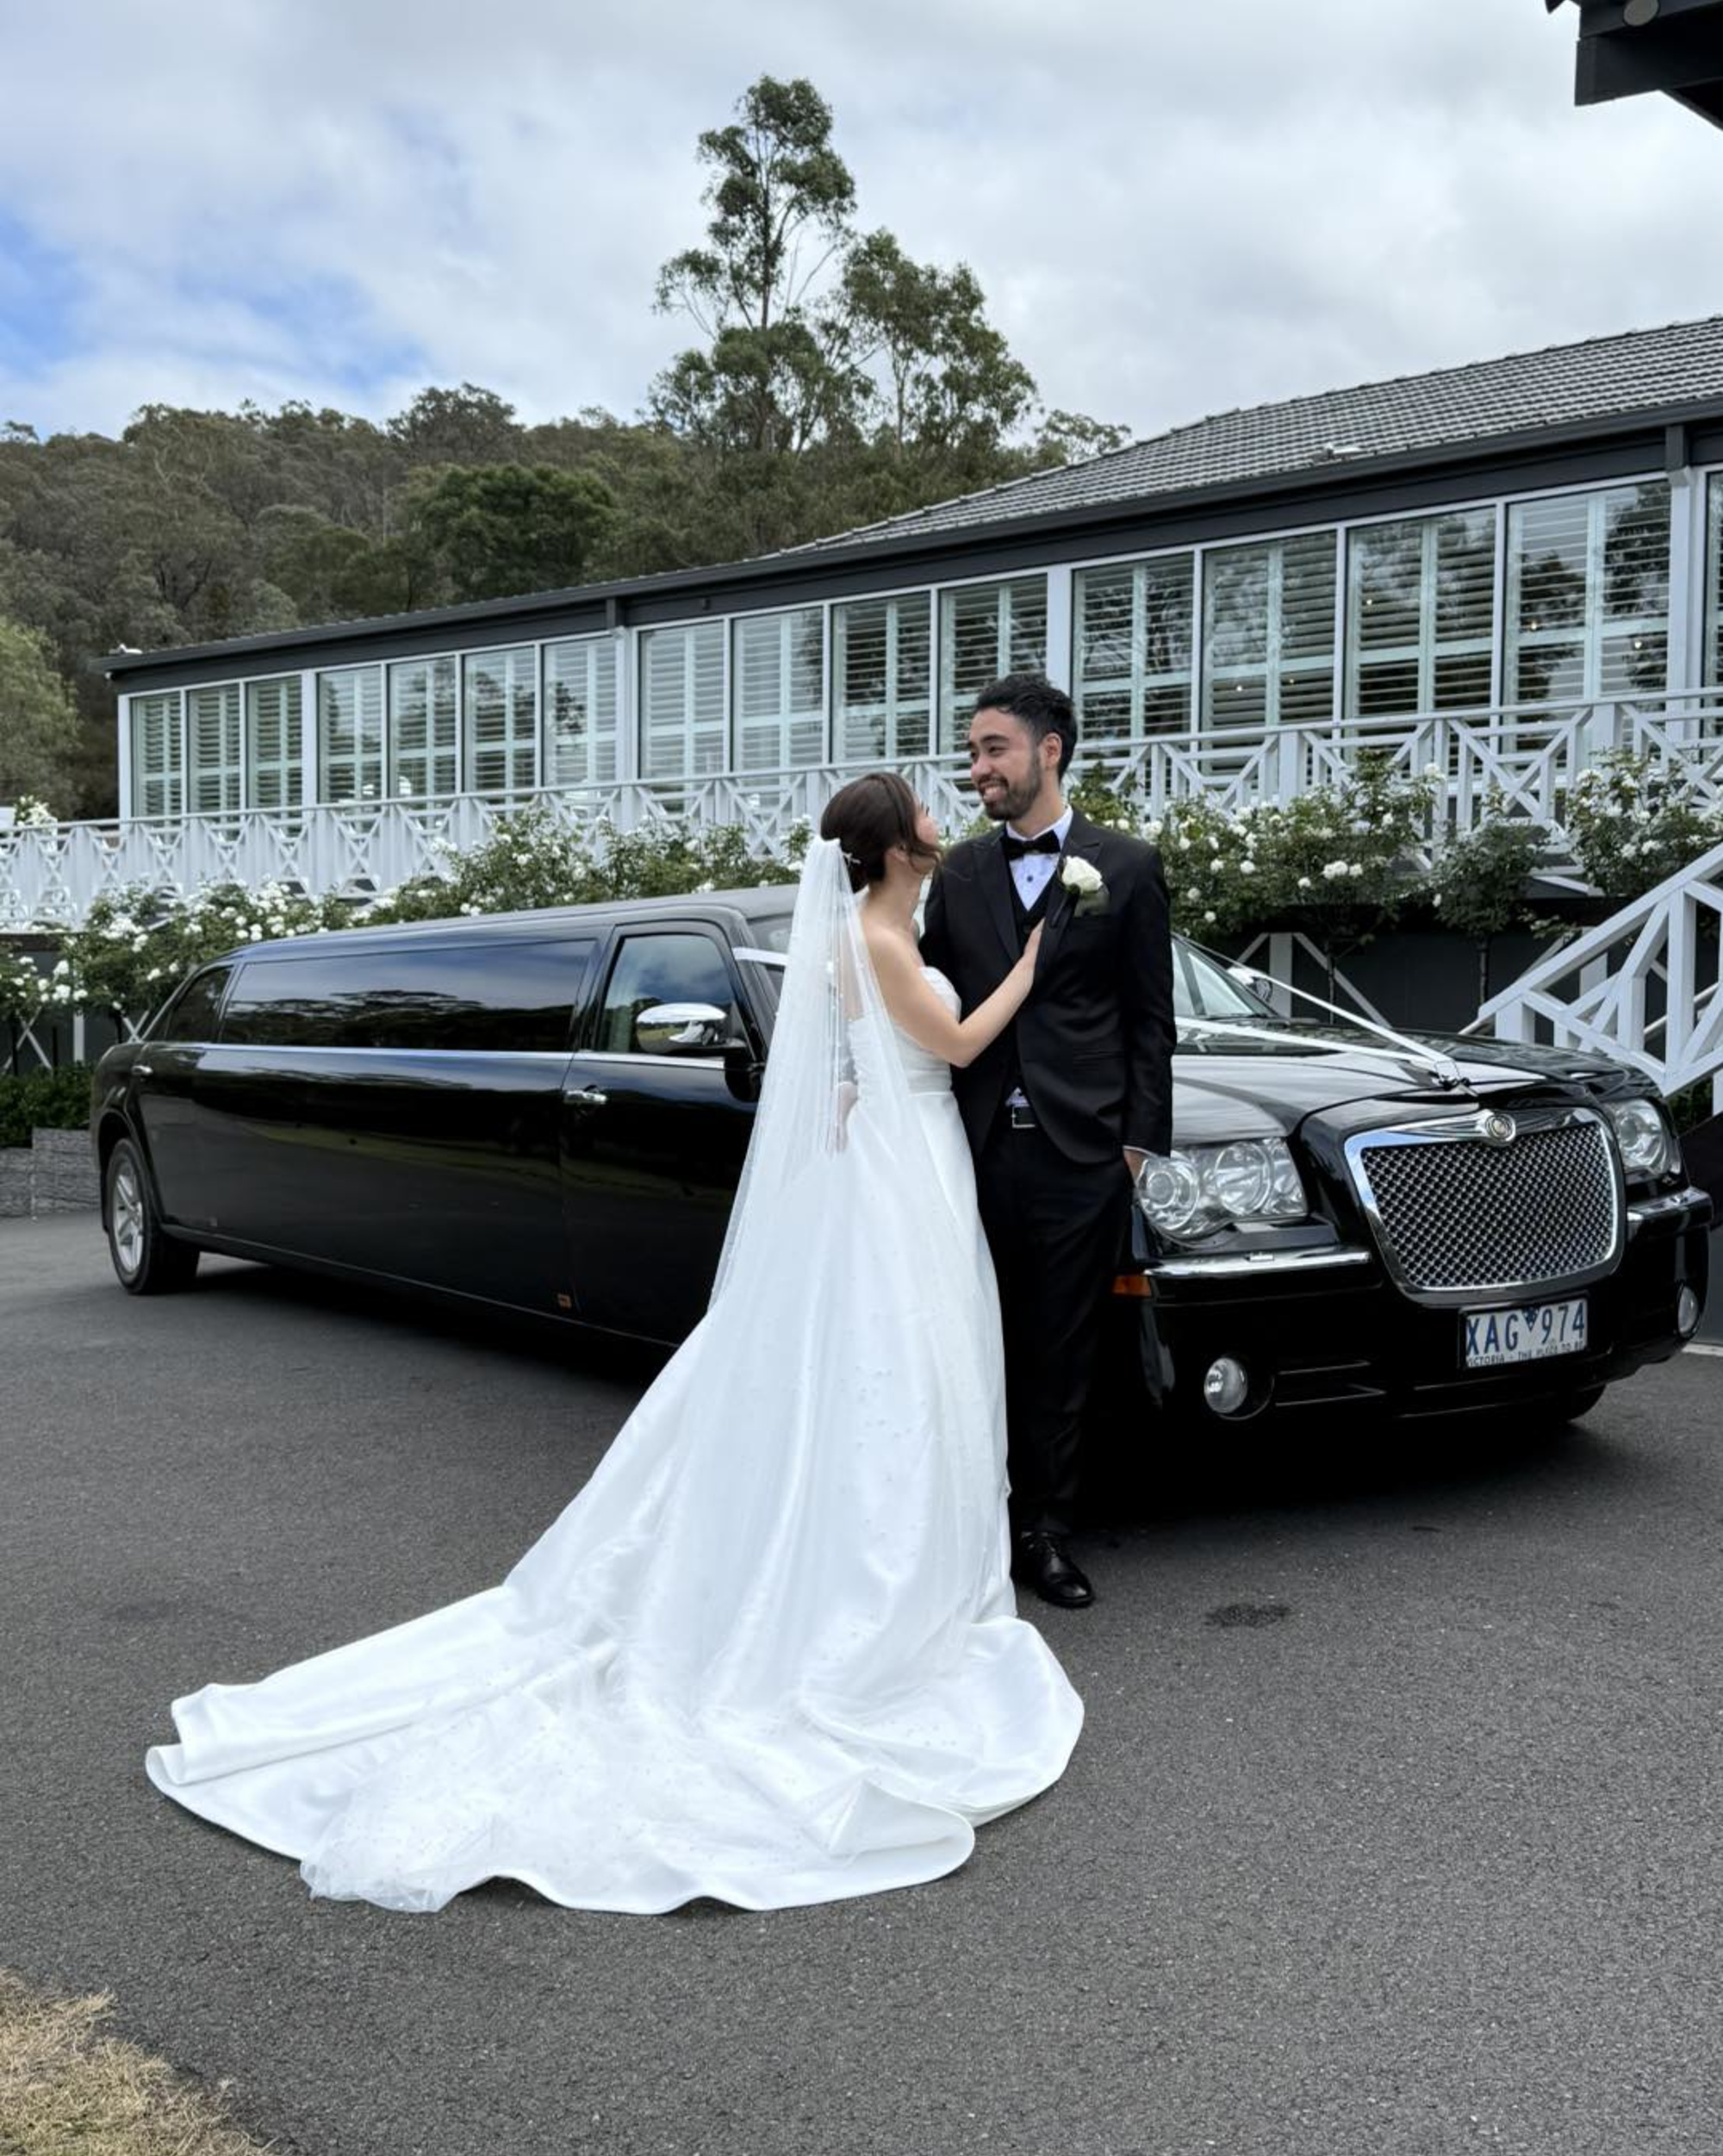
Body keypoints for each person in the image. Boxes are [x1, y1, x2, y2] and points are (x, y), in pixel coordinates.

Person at [144, 775, 1082, 1916]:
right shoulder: (878, 940)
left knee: (877, 1378)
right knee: (893, 1375)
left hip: (885, 1173)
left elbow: (848, 1070)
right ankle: (878, 1591)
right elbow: (959, 1038)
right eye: (925, 815)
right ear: (893, 848)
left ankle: (880, 1556)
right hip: (902, 1177)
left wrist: (864, 1101)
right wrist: (1032, 967)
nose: (943, 819)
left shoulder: (864, 933)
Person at [922, 675, 1175, 1610]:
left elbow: (1151, 1021)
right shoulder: (955, 874)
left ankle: (1045, 1531)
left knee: (1061, 1350)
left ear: (1048, 750)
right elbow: (931, 997)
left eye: (992, 748)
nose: (976, 766)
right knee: (967, 1338)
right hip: (972, 1149)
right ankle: (962, 1522)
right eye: (974, 750)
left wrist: (1135, 1146)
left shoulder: (1129, 867)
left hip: (1080, 1155)